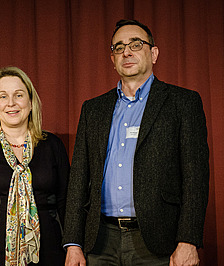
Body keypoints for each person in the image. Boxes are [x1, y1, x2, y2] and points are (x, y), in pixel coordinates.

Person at [63, 19, 209, 266]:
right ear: (113, 59)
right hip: (100, 241)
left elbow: (196, 179)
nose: (126, 51)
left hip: (158, 241)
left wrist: (188, 240)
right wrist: (73, 243)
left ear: (153, 53)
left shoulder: (183, 103)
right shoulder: (93, 109)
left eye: (135, 44)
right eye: (118, 47)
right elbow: (79, 179)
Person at [0, 66, 69, 265]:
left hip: (50, 252)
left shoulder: (52, 145)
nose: (11, 103)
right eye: (3, 96)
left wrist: (73, 247)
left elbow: (66, 202)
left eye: (19, 95)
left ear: (31, 102)